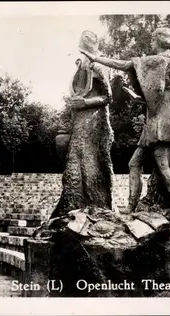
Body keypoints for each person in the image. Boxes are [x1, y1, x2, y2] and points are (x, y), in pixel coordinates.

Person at [80, 27, 170, 212]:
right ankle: (131, 206)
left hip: (161, 124)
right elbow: (160, 96)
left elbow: (125, 64)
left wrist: (95, 58)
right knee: (134, 163)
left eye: (152, 40)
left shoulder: (159, 60)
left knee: (163, 165)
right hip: (160, 121)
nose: (151, 43)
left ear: (159, 41)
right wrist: (137, 98)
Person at [49, 30, 114, 219]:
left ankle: (98, 208)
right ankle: (71, 208)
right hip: (78, 119)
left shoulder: (100, 63)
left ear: (91, 43)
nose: (81, 43)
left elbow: (108, 97)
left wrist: (85, 103)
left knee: (89, 163)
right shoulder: (80, 64)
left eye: (84, 40)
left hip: (94, 120)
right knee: (73, 165)